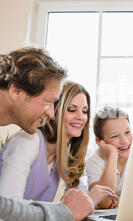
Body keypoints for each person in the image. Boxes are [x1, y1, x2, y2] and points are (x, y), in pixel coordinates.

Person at [0, 47, 114, 221]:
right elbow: (5, 213)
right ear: (16, 92)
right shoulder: (27, 140)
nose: (50, 113)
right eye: (48, 101)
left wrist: (81, 204)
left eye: (85, 111)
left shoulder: (65, 154)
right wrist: (67, 209)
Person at [0, 80, 119, 208]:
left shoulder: (68, 155)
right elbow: (9, 206)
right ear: (53, 112)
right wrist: (69, 207)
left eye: (84, 111)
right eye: (72, 110)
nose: (81, 117)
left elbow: (80, 201)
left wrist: (92, 200)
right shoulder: (27, 140)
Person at [86, 106, 133, 208]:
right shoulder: (93, 163)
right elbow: (105, 202)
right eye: (114, 136)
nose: (125, 141)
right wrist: (112, 155)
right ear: (100, 142)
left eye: (127, 132)